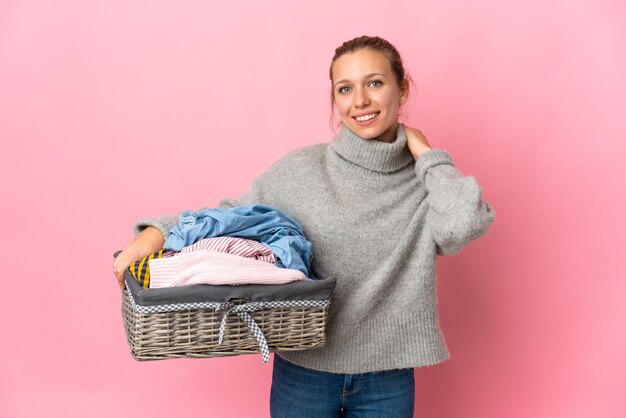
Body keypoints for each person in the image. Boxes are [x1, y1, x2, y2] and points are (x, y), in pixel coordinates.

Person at [113, 35, 495, 418]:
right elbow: (231, 214)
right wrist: (158, 231)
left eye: (375, 83)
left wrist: (428, 155)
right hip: (304, 374)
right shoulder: (301, 170)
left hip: (388, 377)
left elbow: (462, 226)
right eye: (345, 89)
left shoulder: (426, 179)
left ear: (403, 89)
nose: (360, 100)